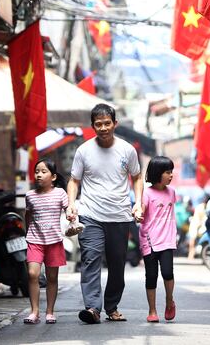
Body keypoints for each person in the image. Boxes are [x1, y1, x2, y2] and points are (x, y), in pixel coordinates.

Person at [66, 103, 143, 324]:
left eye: (107, 123)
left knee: (117, 264)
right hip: (90, 214)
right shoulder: (83, 151)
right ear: (92, 126)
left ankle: (111, 306)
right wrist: (72, 203)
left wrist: (138, 203)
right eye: (98, 124)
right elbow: (74, 180)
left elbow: (137, 177)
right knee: (90, 259)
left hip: (119, 216)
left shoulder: (127, 150)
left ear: (115, 124)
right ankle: (92, 308)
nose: (103, 128)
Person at [23, 159, 68, 324]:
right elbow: (28, 215)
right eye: (37, 171)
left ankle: (50, 311)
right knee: (32, 274)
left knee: (51, 278)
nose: (39, 175)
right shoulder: (30, 196)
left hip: (54, 241)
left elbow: (68, 209)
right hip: (35, 240)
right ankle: (34, 312)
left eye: (43, 171)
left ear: (53, 176)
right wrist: (28, 233)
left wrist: (71, 215)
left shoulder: (60, 193)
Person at [139, 156, 177, 323]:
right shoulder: (146, 193)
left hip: (167, 240)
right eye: (168, 172)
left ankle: (169, 301)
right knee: (151, 275)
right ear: (157, 173)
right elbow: (142, 209)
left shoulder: (172, 192)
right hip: (149, 240)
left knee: (168, 273)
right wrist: (138, 213)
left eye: (171, 172)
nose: (171, 175)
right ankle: (152, 310)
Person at [186, 194, 208, 259]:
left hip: (200, 225)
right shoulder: (200, 207)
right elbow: (199, 218)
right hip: (195, 224)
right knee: (192, 239)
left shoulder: (203, 207)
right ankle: (191, 253)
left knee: (193, 240)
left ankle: (192, 253)